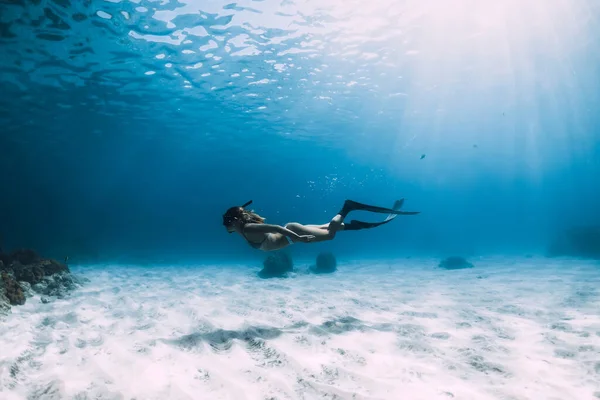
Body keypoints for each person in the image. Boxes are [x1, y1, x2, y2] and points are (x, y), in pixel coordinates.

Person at [222, 199, 419, 252]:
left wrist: (298, 238)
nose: (227, 229)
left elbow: (275, 228)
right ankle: (352, 223)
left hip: (292, 233)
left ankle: (347, 208)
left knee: (330, 235)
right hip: (293, 232)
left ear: (235, 222)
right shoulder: (244, 230)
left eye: (227, 225)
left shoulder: (247, 229)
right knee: (331, 228)